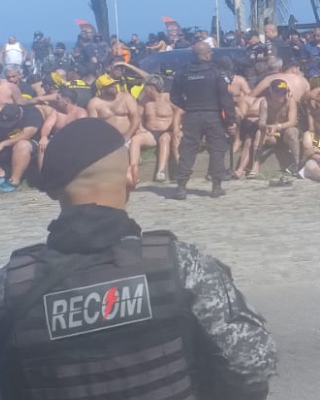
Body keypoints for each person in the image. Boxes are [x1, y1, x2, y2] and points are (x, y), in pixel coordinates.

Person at [0, 118, 276, 398]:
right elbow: (251, 365)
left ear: (51, 190)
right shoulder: (183, 266)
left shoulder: (12, 286)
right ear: (132, 176)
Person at [169, 42, 236, 200]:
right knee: (216, 150)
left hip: (192, 115)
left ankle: (181, 187)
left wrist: (187, 106)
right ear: (207, 54)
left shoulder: (183, 73)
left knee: (188, 150)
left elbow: (174, 96)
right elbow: (225, 99)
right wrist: (231, 120)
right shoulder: (216, 73)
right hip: (213, 115)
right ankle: (216, 186)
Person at [0, 103, 42, 192]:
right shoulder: (4, 113)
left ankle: (14, 181)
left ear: (19, 115)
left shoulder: (32, 113)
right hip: (8, 143)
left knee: (22, 145)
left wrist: (3, 144)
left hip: (32, 142)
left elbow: (27, 135)